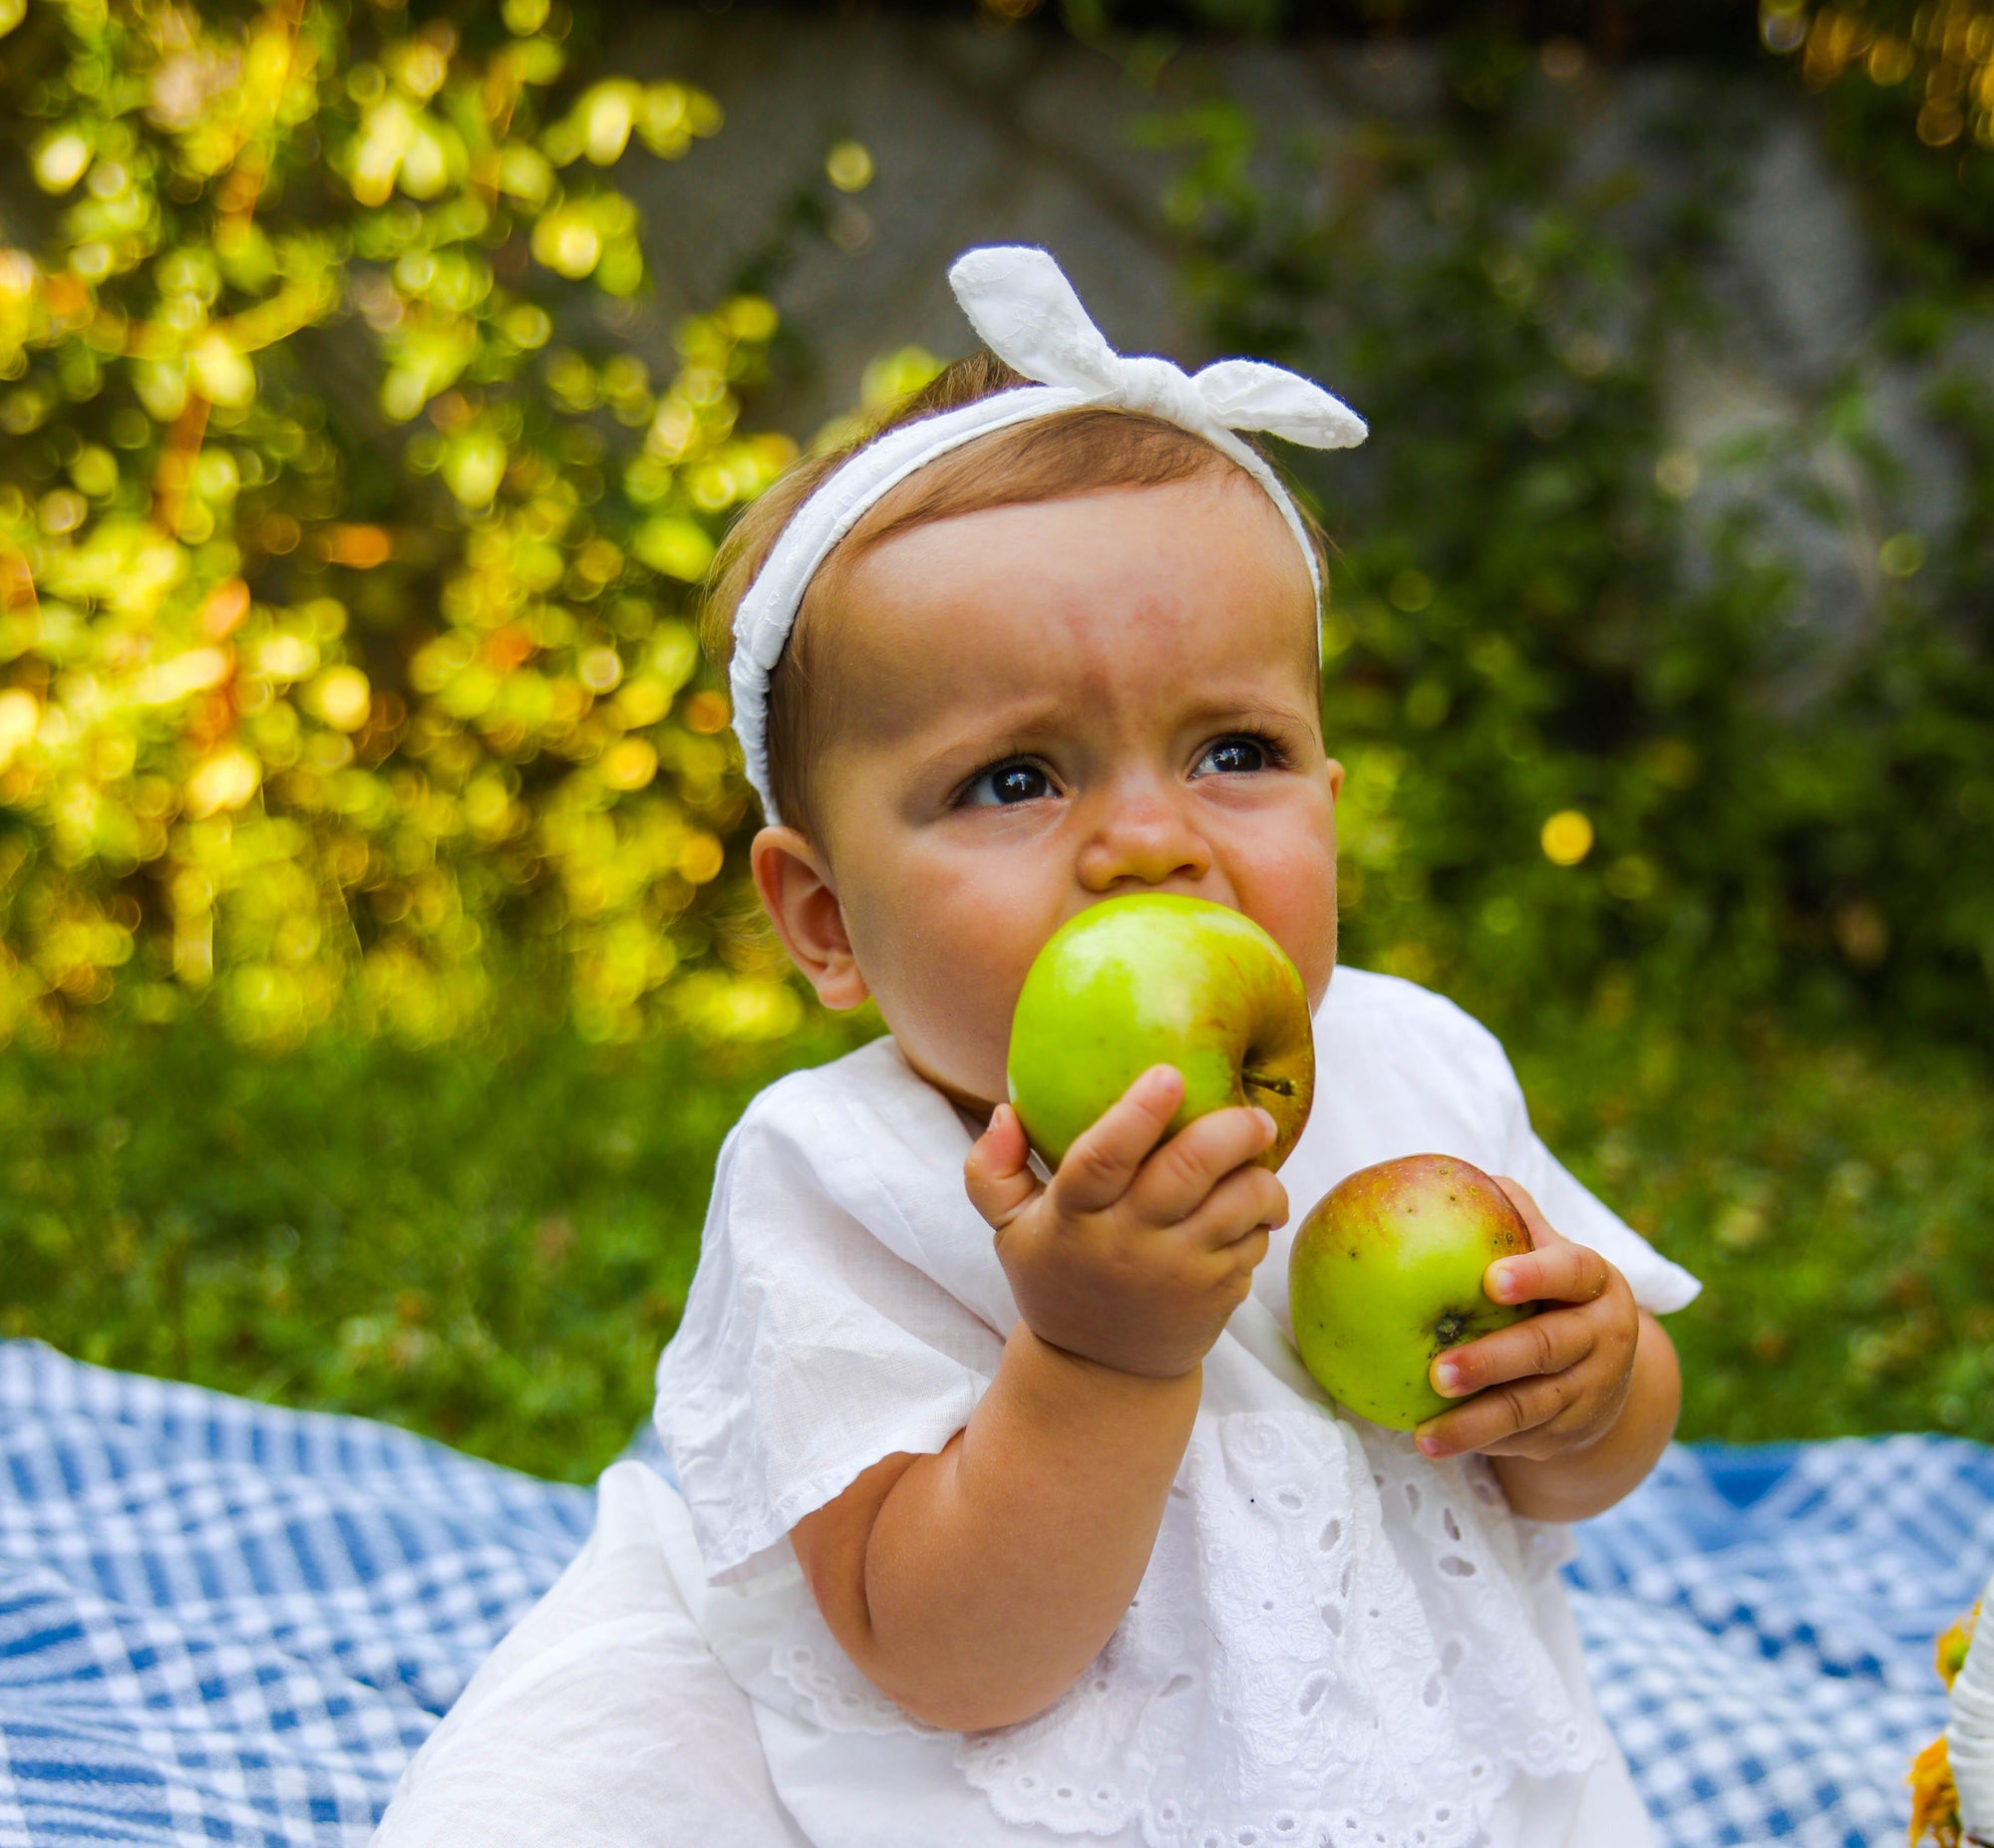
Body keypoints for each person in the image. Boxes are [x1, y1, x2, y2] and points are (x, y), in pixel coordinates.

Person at [373, 245, 1700, 1848]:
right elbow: (948, 1659)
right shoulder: (841, 1181)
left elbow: (1567, 1475)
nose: (1150, 840)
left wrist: (1589, 1384)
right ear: (825, 919)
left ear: (1331, 807)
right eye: (1015, 779)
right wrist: (1093, 1356)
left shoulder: (1415, 1068)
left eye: (1235, 750)